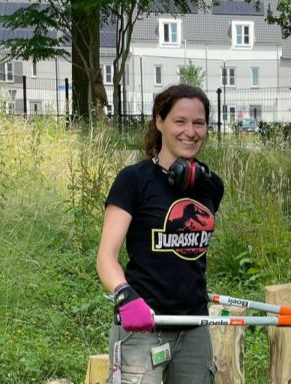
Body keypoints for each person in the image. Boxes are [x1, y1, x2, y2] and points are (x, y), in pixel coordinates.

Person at [96, 84, 224, 384]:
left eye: (199, 123)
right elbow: (106, 256)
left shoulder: (211, 186)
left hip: (194, 325)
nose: (190, 131)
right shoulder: (133, 181)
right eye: (180, 121)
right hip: (143, 326)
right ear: (159, 121)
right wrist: (125, 298)